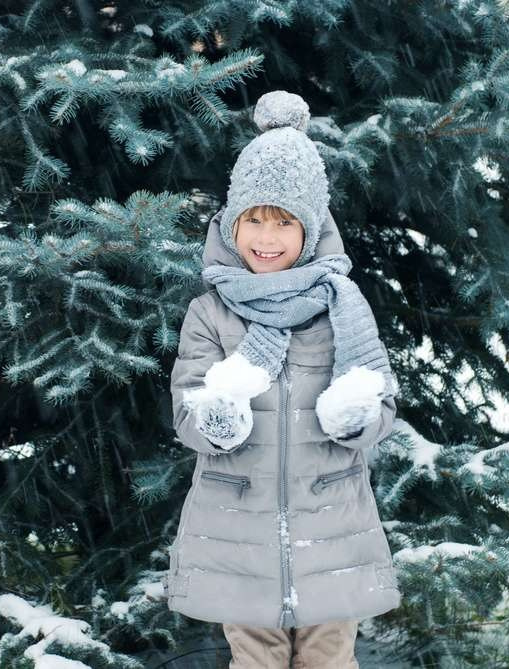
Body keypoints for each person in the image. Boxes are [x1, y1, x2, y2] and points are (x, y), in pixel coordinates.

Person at [166, 91, 401, 669]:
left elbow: (383, 403)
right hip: (239, 528)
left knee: (329, 660)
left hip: (332, 525)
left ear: (310, 231)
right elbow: (188, 411)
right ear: (232, 225)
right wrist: (217, 416)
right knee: (255, 661)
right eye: (254, 220)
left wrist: (358, 416)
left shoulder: (340, 306)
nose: (266, 238)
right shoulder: (211, 312)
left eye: (284, 223)